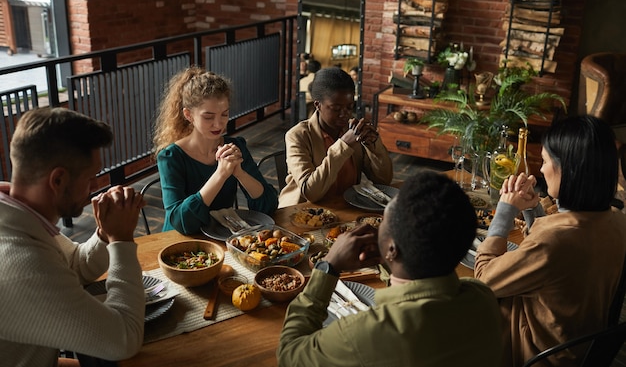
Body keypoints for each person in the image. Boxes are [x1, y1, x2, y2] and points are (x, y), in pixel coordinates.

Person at [277, 171, 504, 367]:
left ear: (393, 247)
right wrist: (390, 261)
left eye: (384, 218)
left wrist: (329, 267)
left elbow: (290, 354)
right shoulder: (482, 299)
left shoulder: (361, 334)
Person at [475, 115, 626, 367]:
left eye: (545, 161)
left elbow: (484, 281)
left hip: (536, 355)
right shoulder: (616, 221)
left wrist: (504, 210)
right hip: (579, 348)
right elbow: (557, 268)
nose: (541, 170)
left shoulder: (555, 242)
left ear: (568, 169)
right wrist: (533, 207)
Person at [0, 107, 146, 367]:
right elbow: (123, 340)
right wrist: (122, 241)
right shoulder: (24, 264)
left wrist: (104, 234)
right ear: (58, 180)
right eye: (90, 177)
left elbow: (76, 265)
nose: (95, 187)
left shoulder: (16, 216)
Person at [153, 66, 278, 234]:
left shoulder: (235, 147)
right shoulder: (171, 157)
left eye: (224, 114)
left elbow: (268, 206)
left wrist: (240, 173)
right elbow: (181, 222)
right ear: (188, 115)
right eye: (208, 117)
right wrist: (221, 175)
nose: (218, 124)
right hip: (180, 243)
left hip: (222, 236)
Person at [279, 67, 392, 207]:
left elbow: (384, 181)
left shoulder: (353, 130)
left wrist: (374, 146)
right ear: (318, 105)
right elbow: (311, 193)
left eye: (350, 107)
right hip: (303, 214)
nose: (344, 114)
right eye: (336, 109)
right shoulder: (297, 136)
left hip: (344, 208)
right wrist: (343, 145)